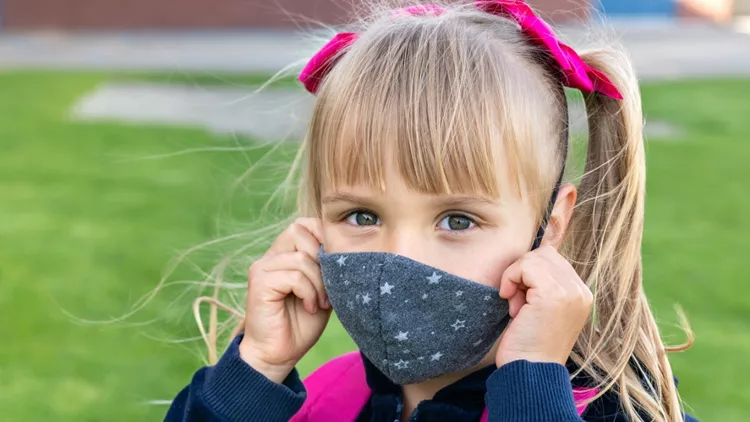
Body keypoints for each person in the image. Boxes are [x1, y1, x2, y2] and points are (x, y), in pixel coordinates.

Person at [165, 1, 698, 421]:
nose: (401, 258)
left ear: (549, 228)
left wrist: (532, 388)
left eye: (458, 221)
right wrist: (257, 368)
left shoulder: (621, 412)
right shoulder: (323, 400)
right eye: (362, 216)